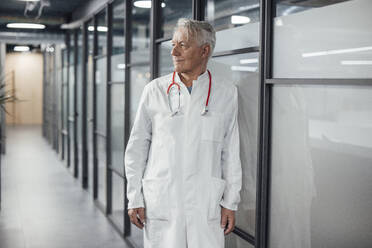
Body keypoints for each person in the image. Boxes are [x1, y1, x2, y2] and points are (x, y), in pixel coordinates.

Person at [124, 18, 242, 248]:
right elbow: (136, 148)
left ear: (204, 50)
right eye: (173, 44)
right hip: (163, 202)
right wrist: (134, 197)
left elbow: (231, 151)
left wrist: (231, 202)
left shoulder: (226, 94)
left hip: (205, 205)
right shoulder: (155, 91)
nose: (174, 51)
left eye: (183, 45)